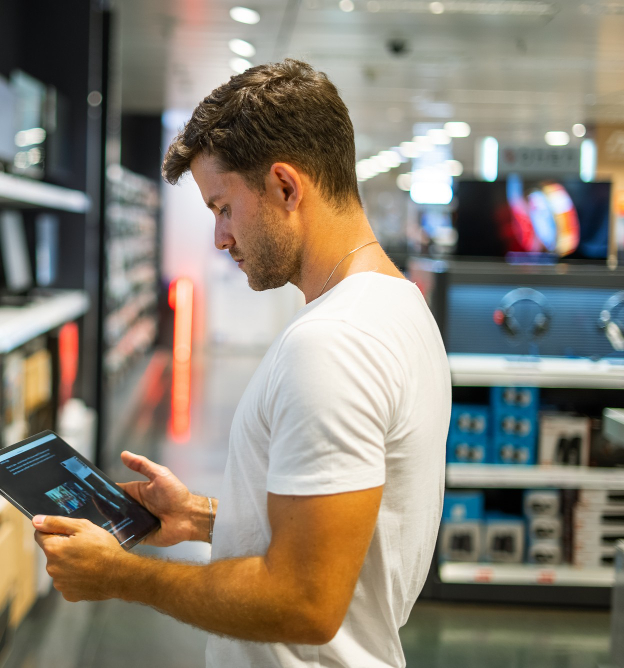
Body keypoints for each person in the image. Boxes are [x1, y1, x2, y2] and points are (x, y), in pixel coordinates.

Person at [32, 58, 451, 668]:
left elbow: (304, 602)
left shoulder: (333, 342)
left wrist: (119, 575)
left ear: (285, 187)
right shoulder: (399, 307)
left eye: (223, 207)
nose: (220, 238)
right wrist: (201, 517)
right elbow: (348, 527)